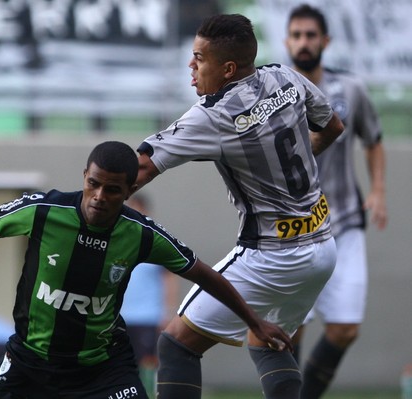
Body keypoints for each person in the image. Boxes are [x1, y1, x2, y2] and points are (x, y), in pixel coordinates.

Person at [0, 141, 291, 399]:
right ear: (85, 177)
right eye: (94, 184)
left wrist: (254, 322)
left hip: (100, 367)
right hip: (31, 357)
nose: (100, 197)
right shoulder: (45, 211)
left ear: (129, 191)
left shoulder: (141, 235)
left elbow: (205, 274)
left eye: (113, 190)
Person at [135, 14, 345, 399]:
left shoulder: (214, 114)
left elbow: (143, 165)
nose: (191, 65)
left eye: (199, 57)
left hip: (270, 255)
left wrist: (90, 198)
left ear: (227, 68)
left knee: (177, 343)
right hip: (322, 249)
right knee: (268, 340)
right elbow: (332, 126)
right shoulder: (286, 77)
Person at [284, 5, 387, 398]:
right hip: (293, 232)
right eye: (297, 35)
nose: (304, 42)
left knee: (345, 328)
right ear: (287, 41)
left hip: (344, 224)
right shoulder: (273, 92)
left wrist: (378, 190)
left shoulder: (351, 90)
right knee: (290, 330)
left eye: (311, 35)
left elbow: (374, 140)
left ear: (325, 41)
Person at [119, 194, 179, 396]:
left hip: (148, 315)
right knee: (124, 363)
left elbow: (169, 279)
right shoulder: (120, 242)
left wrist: (168, 312)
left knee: (149, 362)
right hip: (121, 316)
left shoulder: (156, 242)